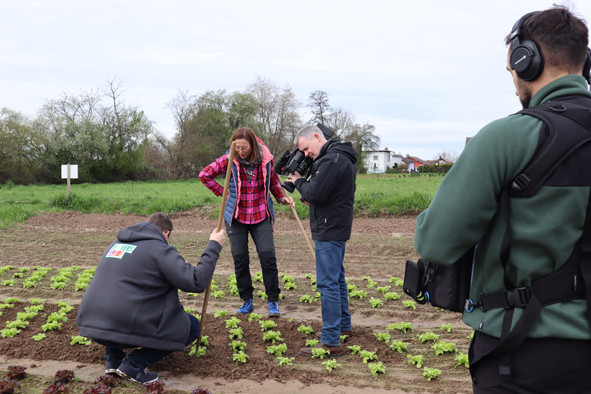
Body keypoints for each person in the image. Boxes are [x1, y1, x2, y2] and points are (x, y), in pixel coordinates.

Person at [414, 6, 591, 393]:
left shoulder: (507, 137)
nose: (512, 78)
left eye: (511, 66)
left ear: (526, 60)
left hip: (522, 353)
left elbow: (435, 242)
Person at [76, 212, 225, 384]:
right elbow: (196, 282)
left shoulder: (116, 244)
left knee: (119, 299)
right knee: (191, 326)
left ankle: (113, 359)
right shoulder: (159, 249)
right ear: (166, 234)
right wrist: (214, 245)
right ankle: (134, 364)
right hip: (121, 323)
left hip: (94, 323)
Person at [199, 127, 293, 317]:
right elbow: (204, 175)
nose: (241, 152)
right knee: (240, 260)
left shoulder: (266, 159)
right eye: (237, 147)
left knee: (268, 258)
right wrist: (221, 191)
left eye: (244, 148)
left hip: (261, 214)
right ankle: (247, 301)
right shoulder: (229, 158)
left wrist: (281, 197)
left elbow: (273, 181)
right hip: (236, 216)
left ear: (253, 145)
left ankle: (273, 302)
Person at [286, 125, 357, 358]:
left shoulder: (332, 160)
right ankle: (342, 326)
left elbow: (315, 192)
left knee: (327, 284)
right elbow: (324, 194)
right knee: (337, 279)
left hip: (330, 228)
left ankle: (330, 341)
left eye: (306, 148)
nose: (306, 154)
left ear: (317, 137)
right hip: (334, 224)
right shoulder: (337, 156)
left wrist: (297, 181)